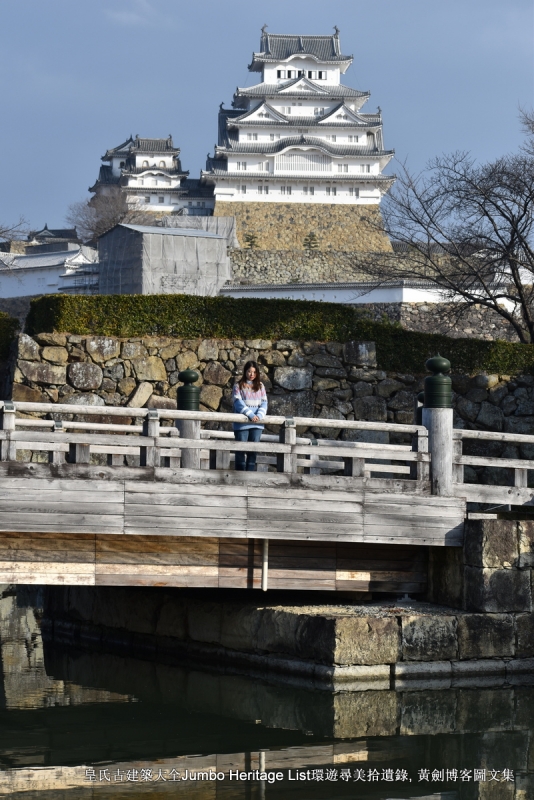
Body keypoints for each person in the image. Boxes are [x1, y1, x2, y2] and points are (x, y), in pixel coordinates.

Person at [232, 361, 268, 471]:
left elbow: (264, 402)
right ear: (245, 372)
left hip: (257, 424)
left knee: (253, 451)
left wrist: (259, 415)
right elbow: (238, 402)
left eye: (254, 372)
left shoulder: (261, 386)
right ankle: (240, 476)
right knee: (240, 450)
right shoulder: (238, 386)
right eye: (249, 371)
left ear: (257, 373)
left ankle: (250, 475)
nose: (251, 374)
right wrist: (251, 415)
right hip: (242, 424)